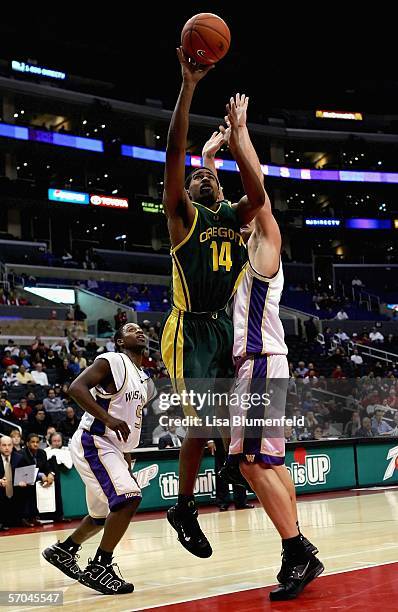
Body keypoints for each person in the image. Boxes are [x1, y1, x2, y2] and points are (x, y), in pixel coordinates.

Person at [210, 95, 323, 600]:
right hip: (258, 367)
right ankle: (296, 551)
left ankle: (298, 550)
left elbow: (258, 194)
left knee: (252, 464)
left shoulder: (265, 248)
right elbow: (218, 206)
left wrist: (241, 137)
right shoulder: (242, 259)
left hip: (259, 366)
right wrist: (210, 161)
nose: (244, 216)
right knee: (269, 464)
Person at [160, 50, 265, 559]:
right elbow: (175, 155)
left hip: (223, 324)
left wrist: (235, 145)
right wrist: (189, 87)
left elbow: (258, 193)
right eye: (199, 179)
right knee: (200, 425)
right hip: (188, 330)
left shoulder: (232, 212)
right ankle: (184, 505)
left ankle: (227, 468)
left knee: (242, 408)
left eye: (211, 178)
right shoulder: (183, 216)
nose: (205, 180)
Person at [42, 323, 155, 595]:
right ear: (119, 341)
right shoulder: (113, 360)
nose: (138, 331)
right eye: (130, 329)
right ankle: (100, 566)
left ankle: (65, 550)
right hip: (94, 441)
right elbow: (76, 388)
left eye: (141, 329)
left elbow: (131, 420)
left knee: (102, 514)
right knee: (128, 497)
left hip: (114, 448)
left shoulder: (147, 382)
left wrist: (126, 453)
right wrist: (107, 418)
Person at [18, 433, 55, 527]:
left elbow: (47, 466)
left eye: (37, 442)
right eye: (33, 442)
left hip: (36, 479)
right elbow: (25, 470)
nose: (35, 444)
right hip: (23, 479)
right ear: (27, 443)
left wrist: (50, 473)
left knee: (54, 480)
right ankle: (25, 517)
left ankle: (38, 516)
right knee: (29, 487)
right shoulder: (21, 454)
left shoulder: (42, 453)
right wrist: (41, 475)